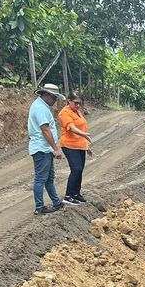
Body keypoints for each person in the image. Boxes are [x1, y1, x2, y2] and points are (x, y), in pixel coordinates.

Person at [28, 83, 66, 215]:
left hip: (45, 148)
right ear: (46, 94)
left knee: (49, 178)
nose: (55, 100)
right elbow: (45, 129)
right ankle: (39, 207)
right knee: (40, 178)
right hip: (42, 148)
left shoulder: (41, 106)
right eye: (54, 97)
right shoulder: (40, 108)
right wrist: (56, 148)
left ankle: (56, 202)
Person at [58, 91, 93, 205]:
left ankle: (76, 193)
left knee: (80, 170)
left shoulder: (77, 112)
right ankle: (68, 196)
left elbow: (82, 127)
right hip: (69, 145)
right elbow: (71, 128)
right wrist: (84, 135)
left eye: (79, 103)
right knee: (76, 169)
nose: (78, 105)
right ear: (69, 101)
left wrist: (86, 146)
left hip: (80, 145)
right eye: (75, 103)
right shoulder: (64, 113)